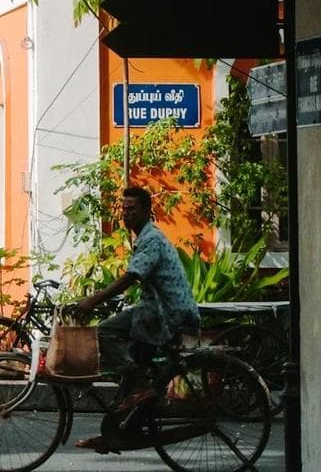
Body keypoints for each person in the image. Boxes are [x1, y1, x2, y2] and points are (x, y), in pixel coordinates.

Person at [71, 186, 200, 452]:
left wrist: (92, 300)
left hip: (165, 312)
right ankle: (116, 430)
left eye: (132, 209)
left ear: (146, 211)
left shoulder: (151, 239)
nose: (126, 214)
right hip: (155, 309)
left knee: (104, 333)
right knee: (135, 365)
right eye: (124, 209)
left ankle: (138, 386)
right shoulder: (143, 237)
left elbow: (131, 277)